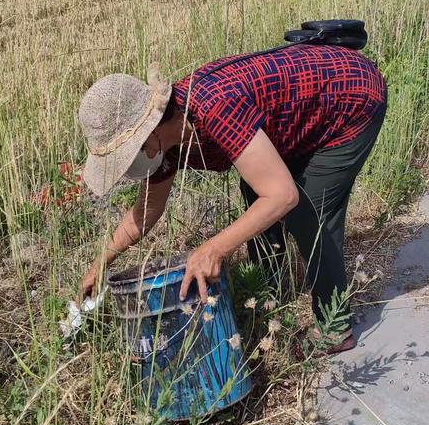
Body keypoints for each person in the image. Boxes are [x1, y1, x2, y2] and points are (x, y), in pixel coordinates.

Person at [78, 43, 387, 353]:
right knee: (255, 191)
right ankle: (266, 291)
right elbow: (147, 210)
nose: (131, 167)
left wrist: (215, 248)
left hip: (352, 98)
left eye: (128, 158)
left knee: (310, 211)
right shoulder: (167, 144)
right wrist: (100, 264)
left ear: (149, 135)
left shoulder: (214, 109)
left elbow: (282, 196)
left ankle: (335, 328)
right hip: (298, 117)